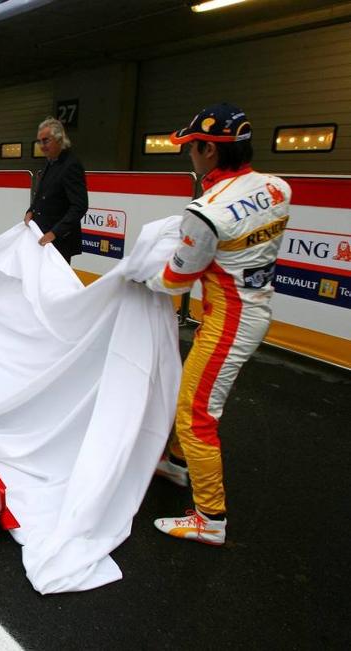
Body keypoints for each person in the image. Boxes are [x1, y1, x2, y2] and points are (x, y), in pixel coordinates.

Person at [148, 103, 292, 546]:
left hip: (229, 321)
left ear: (209, 150)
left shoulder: (207, 209)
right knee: (188, 391)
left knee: (196, 415)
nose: (188, 154)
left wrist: (140, 276)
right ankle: (176, 463)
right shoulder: (277, 187)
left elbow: (175, 277)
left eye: (192, 147)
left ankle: (210, 516)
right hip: (250, 307)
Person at [23, 117, 88, 264]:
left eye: (46, 141)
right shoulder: (50, 161)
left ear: (59, 139)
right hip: (43, 236)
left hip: (59, 241)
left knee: (56, 285)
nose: (42, 146)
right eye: (39, 141)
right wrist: (31, 210)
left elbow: (79, 206)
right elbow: (42, 193)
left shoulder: (71, 165)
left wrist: (55, 233)